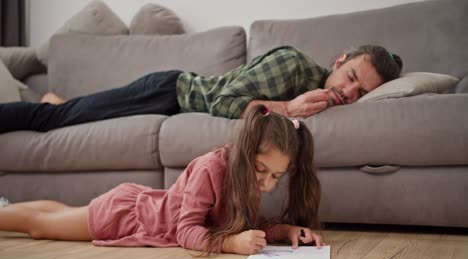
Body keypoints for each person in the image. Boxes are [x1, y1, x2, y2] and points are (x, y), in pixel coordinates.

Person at [0, 105, 324, 255]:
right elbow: (186, 231)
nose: (267, 184)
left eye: (276, 177)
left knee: (57, 214)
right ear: (246, 151)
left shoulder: (246, 175)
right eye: (261, 171)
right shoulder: (212, 168)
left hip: (141, 206)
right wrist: (229, 244)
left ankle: (6, 206)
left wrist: (283, 230)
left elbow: (240, 221)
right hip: (128, 217)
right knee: (40, 226)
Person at [0, 44, 402, 133]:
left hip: (171, 104)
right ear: (339, 61)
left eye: (361, 93)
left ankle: (61, 100)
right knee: (51, 120)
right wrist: (287, 107)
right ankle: (53, 103)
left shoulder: (337, 104)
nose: (350, 93)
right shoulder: (293, 67)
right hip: (168, 92)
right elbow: (224, 102)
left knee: (76, 110)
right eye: (350, 77)